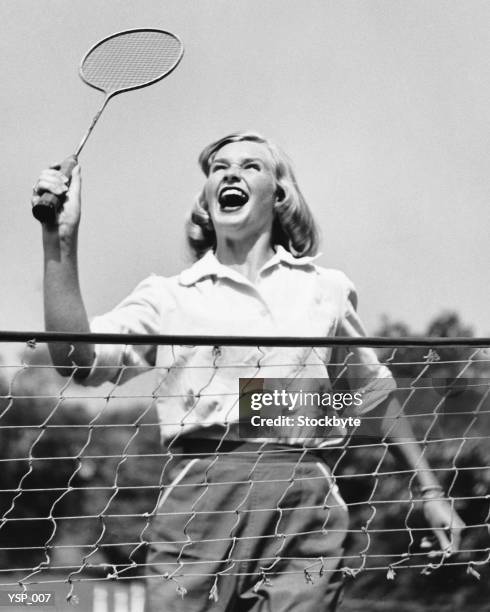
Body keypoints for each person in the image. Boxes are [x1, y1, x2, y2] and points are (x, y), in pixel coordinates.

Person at [32, 132, 464, 612]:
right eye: (219, 167)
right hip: (197, 505)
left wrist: (429, 490)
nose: (231, 173)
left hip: (306, 503)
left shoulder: (326, 289)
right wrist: (60, 242)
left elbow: (373, 394)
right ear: (206, 196)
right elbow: (76, 362)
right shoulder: (169, 295)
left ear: (279, 195)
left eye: (250, 166)